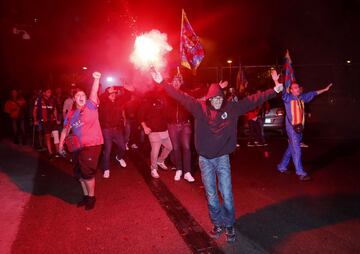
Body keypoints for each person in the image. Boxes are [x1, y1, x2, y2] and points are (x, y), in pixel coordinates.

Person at [151, 69, 283, 243]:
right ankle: (217, 224)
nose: (218, 101)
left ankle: (229, 225)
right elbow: (180, 96)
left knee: (226, 194)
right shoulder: (199, 107)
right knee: (212, 195)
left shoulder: (232, 108)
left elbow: (253, 100)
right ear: (209, 98)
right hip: (205, 159)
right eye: (215, 98)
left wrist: (275, 90)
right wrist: (162, 82)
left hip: (222, 159)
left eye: (220, 98)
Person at [271, 69, 332, 181]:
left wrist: (325, 89)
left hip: (299, 129)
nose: (297, 89)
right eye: (295, 88)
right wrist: (276, 81)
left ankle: (282, 166)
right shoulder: (288, 98)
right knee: (297, 149)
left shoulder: (302, 97)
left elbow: (313, 93)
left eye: (298, 87)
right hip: (292, 128)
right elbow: (280, 90)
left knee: (291, 148)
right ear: (290, 90)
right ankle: (300, 172)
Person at [59, 72, 103, 210]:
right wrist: (60, 145)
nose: (81, 97)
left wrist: (96, 79)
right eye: (78, 95)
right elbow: (65, 130)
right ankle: (85, 196)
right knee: (79, 173)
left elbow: (94, 92)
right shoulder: (71, 114)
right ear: (74, 99)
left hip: (92, 145)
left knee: (87, 173)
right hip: (77, 147)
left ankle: (91, 197)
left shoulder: (90, 106)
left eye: (83, 95)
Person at [139, 86, 173, 179]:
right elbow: (140, 117)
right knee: (155, 151)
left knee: (170, 147)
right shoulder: (146, 103)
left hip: (164, 130)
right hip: (153, 131)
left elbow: (167, 114)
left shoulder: (163, 102)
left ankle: (160, 161)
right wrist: (145, 127)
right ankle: (153, 169)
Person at [167, 74, 195, 182]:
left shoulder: (185, 93)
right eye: (174, 80)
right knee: (176, 148)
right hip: (172, 125)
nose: (176, 82)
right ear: (171, 82)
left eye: (178, 80)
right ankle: (179, 169)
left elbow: (193, 101)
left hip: (185, 124)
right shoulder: (167, 93)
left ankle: (187, 172)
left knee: (187, 147)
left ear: (181, 82)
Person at [99, 86, 130, 179]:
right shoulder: (103, 103)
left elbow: (127, 97)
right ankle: (106, 169)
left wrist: (128, 88)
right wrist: (107, 92)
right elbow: (101, 98)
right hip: (106, 130)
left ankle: (119, 158)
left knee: (123, 147)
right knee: (107, 150)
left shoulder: (118, 102)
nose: (113, 95)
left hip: (117, 129)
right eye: (111, 93)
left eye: (114, 93)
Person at [33, 88, 60, 159]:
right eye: (48, 92)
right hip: (45, 121)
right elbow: (35, 111)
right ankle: (50, 153)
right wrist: (35, 120)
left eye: (50, 92)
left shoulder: (52, 100)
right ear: (44, 93)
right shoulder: (39, 100)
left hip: (53, 120)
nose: (49, 93)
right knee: (47, 137)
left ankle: (58, 152)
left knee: (56, 136)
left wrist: (57, 119)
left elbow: (55, 110)